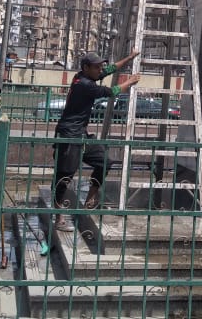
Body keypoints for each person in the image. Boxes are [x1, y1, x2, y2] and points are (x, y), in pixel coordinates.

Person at [52, 49, 140, 229]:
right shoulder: (84, 84)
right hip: (69, 135)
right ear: (86, 67)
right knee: (65, 176)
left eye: (101, 66)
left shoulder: (85, 76)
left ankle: (90, 199)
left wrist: (129, 58)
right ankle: (58, 217)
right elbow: (112, 91)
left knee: (104, 161)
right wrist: (130, 82)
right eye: (97, 67)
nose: (101, 70)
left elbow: (109, 70)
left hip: (81, 134)